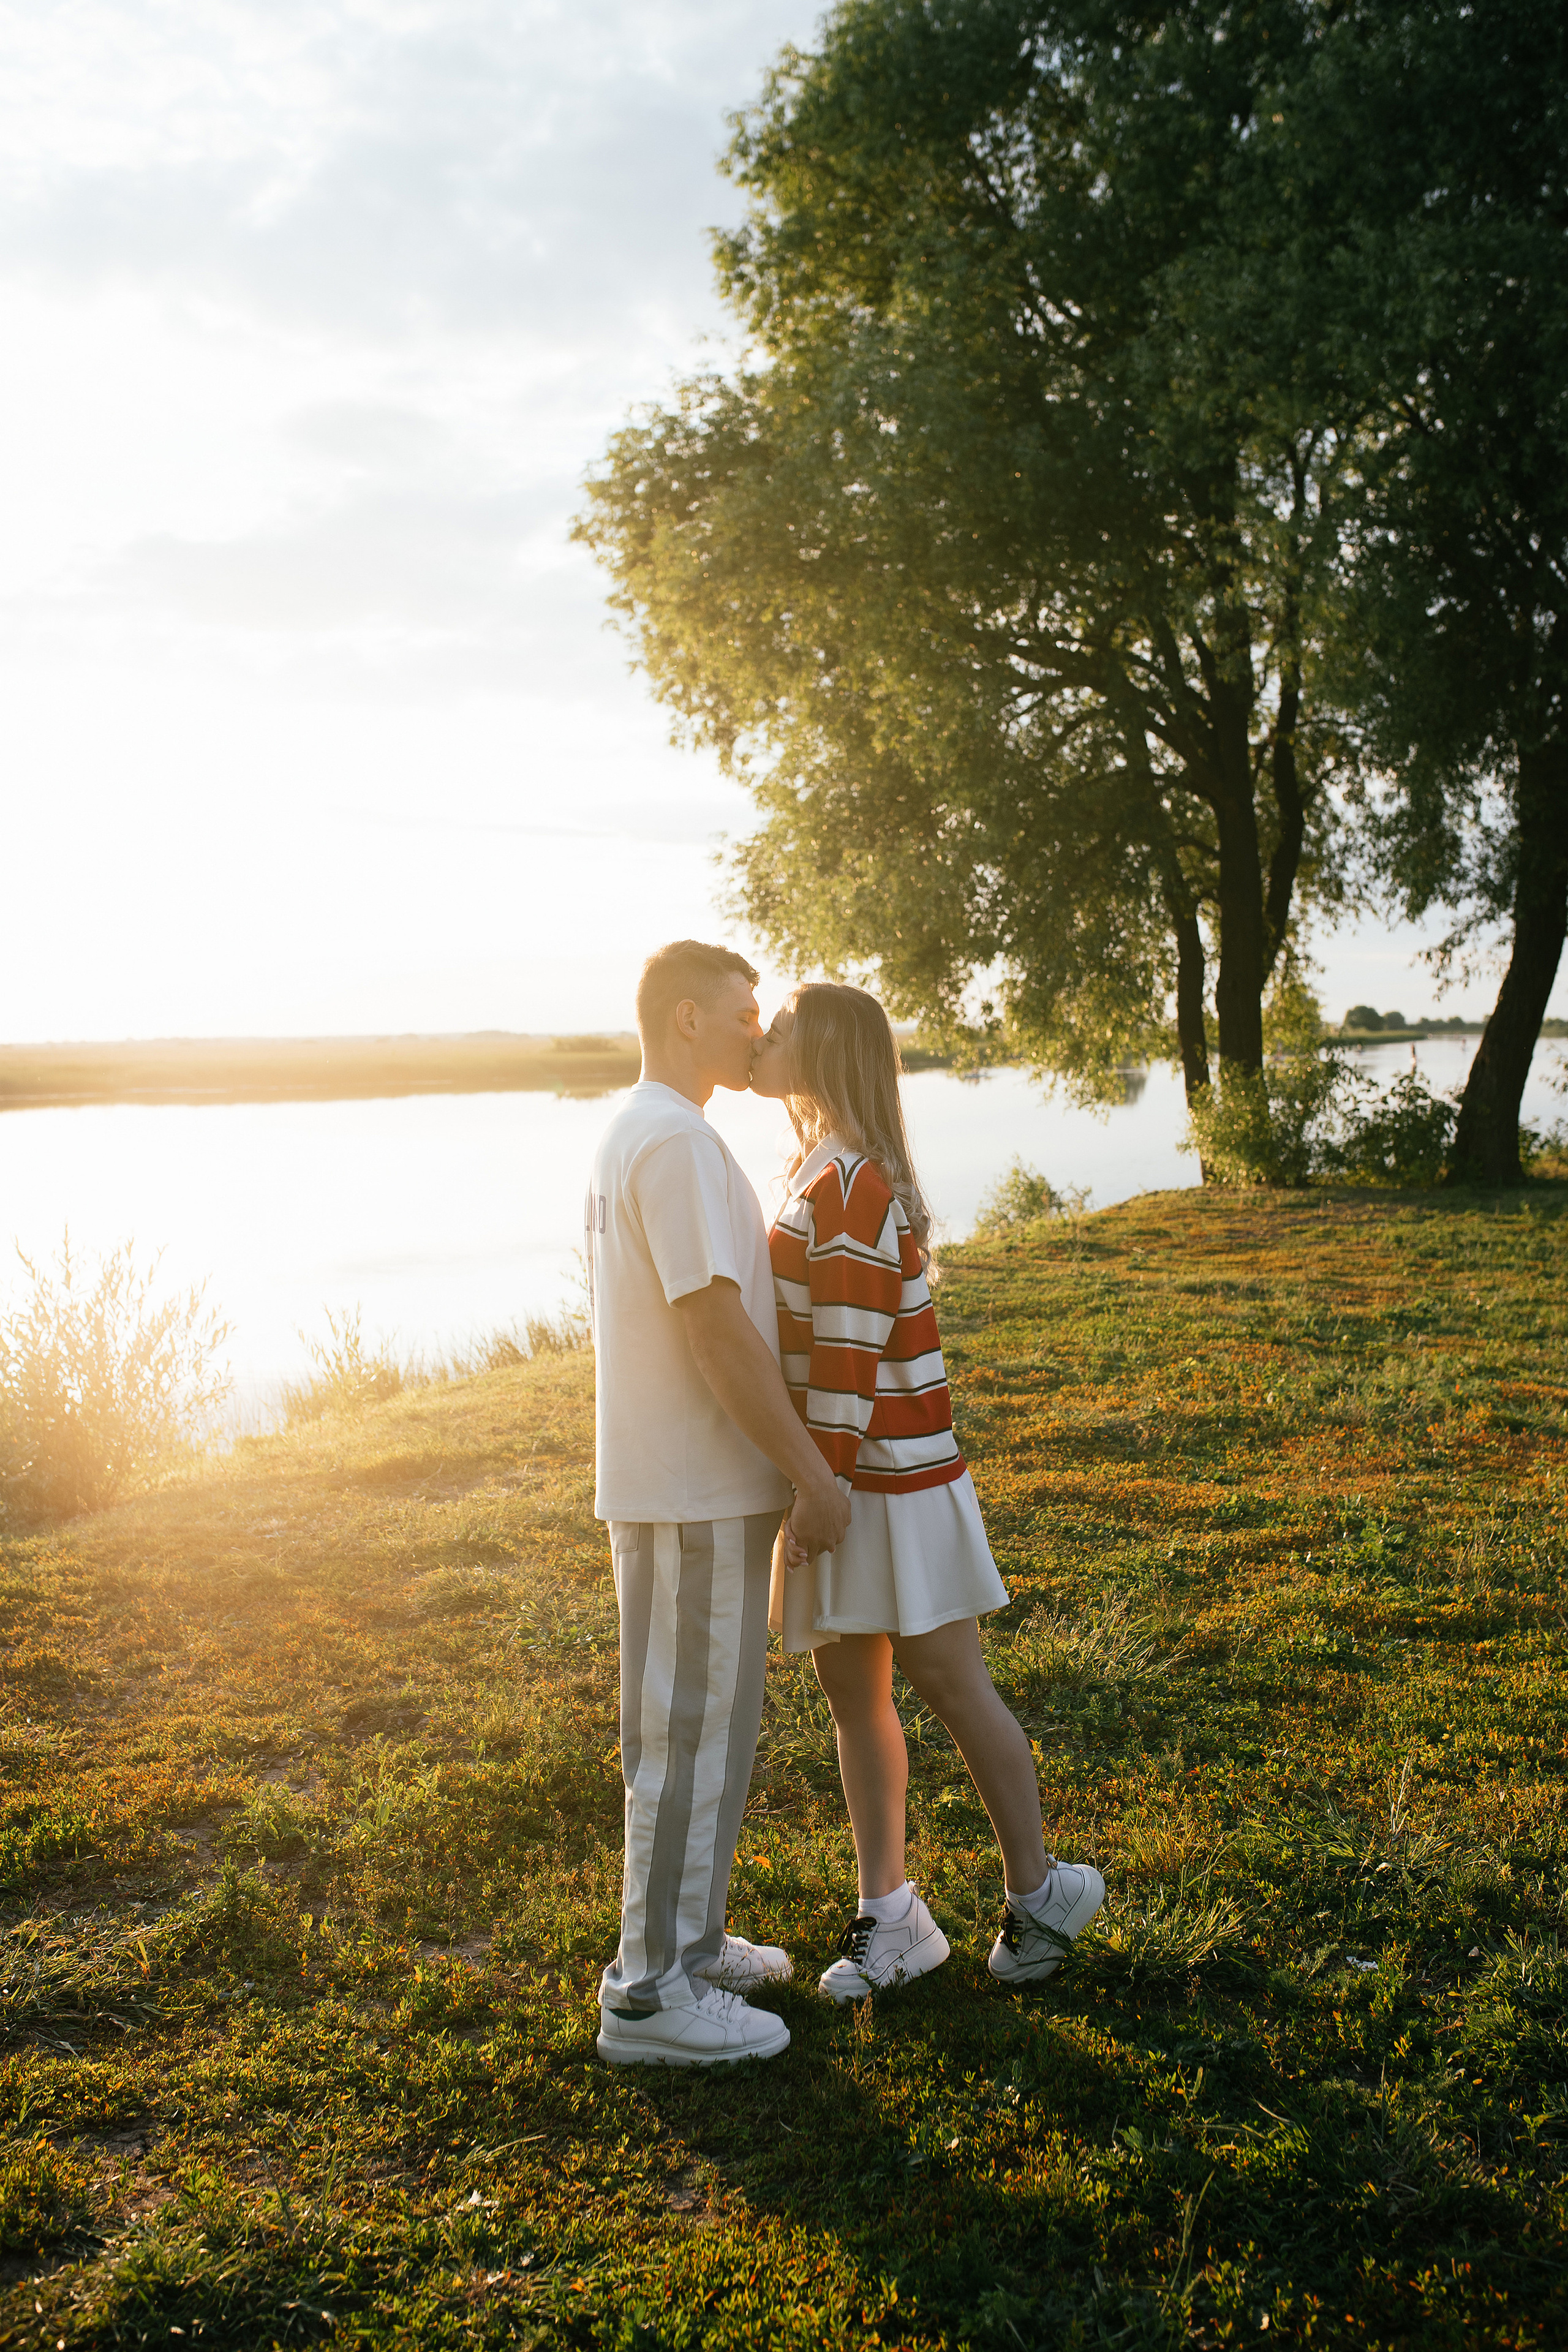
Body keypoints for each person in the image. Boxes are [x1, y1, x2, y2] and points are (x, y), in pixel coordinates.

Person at [750, 981, 1106, 1999]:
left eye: (779, 1029)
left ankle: (1041, 1894)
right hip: (849, 1478)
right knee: (853, 1696)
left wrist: (814, 1492)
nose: (762, 1042)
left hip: (884, 1485)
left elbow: (853, 1364)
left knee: (951, 1684)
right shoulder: (817, 1168)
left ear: (818, 1049)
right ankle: (890, 1914)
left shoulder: (854, 1183)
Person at [586, 939, 853, 2067]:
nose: (759, 1029)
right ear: (688, 1017)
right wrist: (811, 1471)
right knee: (685, 1741)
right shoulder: (677, 1142)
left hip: (690, 1489)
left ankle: (690, 1947)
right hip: (692, 1491)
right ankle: (648, 1998)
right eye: (745, 1012)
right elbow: (714, 1328)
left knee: (710, 1732)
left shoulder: (648, 1128)